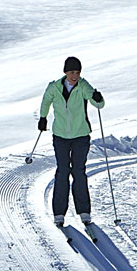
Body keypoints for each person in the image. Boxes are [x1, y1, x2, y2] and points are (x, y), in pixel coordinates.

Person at [38, 57, 105, 227]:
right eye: (71, 72)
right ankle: (59, 213)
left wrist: (98, 97)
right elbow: (46, 101)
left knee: (78, 171)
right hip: (60, 136)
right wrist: (43, 118)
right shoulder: (54, 87)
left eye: (77, 72)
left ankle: (84, 211)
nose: (74, 76)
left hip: (80, 136)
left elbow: (99, 104)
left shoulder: (83, 86)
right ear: (65, 72)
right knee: (62, 172)